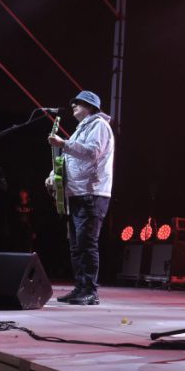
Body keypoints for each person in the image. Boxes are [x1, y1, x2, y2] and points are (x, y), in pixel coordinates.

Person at [47, 90, 114, 305]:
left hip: (91, 192)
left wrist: (63, 143)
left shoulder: (99, 125)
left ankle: (90, 291)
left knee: (87, 243)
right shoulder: (80, 129)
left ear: (91, 106)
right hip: (76, 193)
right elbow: (68, 160)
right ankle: (80, 288)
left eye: (79, 103)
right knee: (76, 245)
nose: (73, 105)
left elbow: (93, 152)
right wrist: (53, 176)